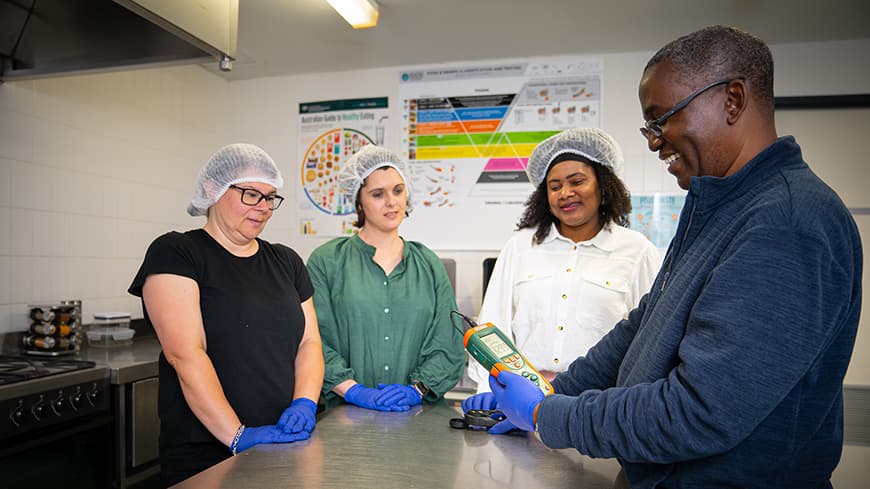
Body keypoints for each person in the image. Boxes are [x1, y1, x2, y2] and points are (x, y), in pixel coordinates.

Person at [464, 25, 862, 489]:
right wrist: (552, 391)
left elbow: (699, 411)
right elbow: (643, 327)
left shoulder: (788, 222)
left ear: (732, 99)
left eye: (663, 118)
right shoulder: (720, 210)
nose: (654, 141)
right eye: (648, 127)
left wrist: (546, 413)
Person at [128, 143, 324, 486]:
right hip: (205, 450)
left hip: (283, 438)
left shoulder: (287, 261)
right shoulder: (177, 252)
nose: (263, 207)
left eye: (270, 198)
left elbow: (309, 342)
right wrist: (237, 435)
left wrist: (304, 403)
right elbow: (185, 354)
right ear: (212, 189)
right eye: (251, 194)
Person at [466, 128, 661, 406]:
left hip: (601, 404)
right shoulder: (521, 247)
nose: (565, 193)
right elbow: (493, 326)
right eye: (554, 186)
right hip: (524, 398)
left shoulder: (637, 251)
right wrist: (488, 391)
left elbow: (649, 337)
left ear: (603, 185)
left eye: (577, 181)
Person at [307, 145, 465, 412]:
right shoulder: (326, 262)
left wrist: (417, 390)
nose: (391, 201)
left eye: (398, 190)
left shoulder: (428, 263)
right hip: (347, 415)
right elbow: (315, 341)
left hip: (418, 415)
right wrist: (354, 391)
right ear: (359, 201)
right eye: (378, 194)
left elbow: (448, 342)